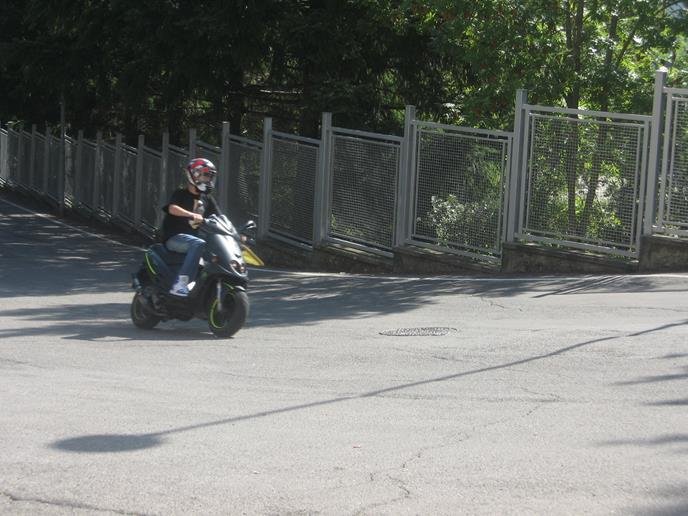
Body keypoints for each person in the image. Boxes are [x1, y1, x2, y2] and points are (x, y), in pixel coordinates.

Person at [161, 158, 220, 296]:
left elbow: (220, 218)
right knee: (198, 244)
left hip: (194, 239)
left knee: (213, 249)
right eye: (205, 175)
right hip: (175, 237)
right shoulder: (180, 194)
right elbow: (172, 208)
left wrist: (236, 234)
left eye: (210, 176)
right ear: (193, 175)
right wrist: (191, 215)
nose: (208, 179)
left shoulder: (207, 199)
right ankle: (180, 284)